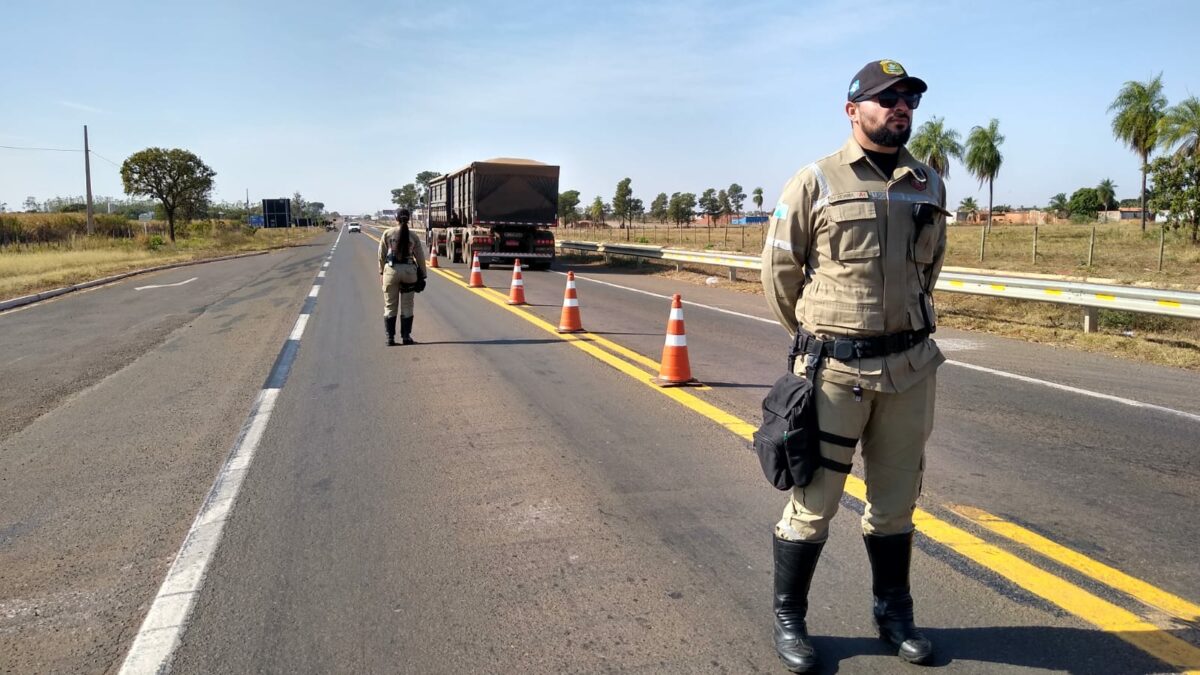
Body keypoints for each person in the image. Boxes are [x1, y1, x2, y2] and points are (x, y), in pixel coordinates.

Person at [760, 59, 948, 672]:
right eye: (888, 98)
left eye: (909, 99)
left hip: (910, 371)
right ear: (853, 109)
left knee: (895, 504)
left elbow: (930, 270)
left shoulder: (928, 183)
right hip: (836, 374)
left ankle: (894, 613)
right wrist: (821, 339)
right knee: (814, 504)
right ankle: (791, 619)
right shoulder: (815, 181)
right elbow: (780, 276)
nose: (902, 107)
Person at [379, 208, 427, 345]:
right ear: (408, 219)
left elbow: (381, 256)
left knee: (390, 306)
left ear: (396, 219)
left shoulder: (387, 233)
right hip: (409, 273)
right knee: (407, 305)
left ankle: (390, 338)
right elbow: (420, 257)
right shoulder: (414, 236)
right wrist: (423, 275)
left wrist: (382, 272)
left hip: (391, 272)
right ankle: (406, 337)